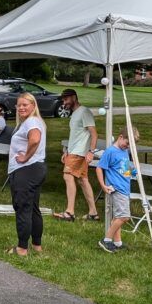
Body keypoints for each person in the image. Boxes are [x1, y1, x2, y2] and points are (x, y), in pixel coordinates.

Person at [6, 93, 47, 257]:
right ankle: (37, 245)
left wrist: (25, 157)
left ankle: (22, 248)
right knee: (33, 208)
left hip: (27, 170)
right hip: (36, 169)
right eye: (19, 105)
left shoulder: (32, 121)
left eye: (25, 105)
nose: (21, 108)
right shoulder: (32, 122)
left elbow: (35, 140)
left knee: (23, 208)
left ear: (33, 106)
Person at [53, 89, 99, 222]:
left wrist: (91, 152)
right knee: (83, 181)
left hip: (79, 152)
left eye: (66, 99)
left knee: (67, 176)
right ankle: (93, 213)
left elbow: (94, 134)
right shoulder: (74, 114)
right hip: (74, 151)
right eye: (63, 100)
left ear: (74, 97)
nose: (64, 103)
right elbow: (76, 135)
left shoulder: (84, 112)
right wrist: (67, 150)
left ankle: (70, 212)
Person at [96, 126, 138, 253]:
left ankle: (117, 242)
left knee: (118, 216)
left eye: (130, 145)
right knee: (124, 216)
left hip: (125, 187)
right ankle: (106, 240)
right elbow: (99, 168)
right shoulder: (110, 152)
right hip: (116, 188)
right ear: (120, 137)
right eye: (127, 143)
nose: (128, 146)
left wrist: (132, 170)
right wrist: (103, 185)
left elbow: (124, 166)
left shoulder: (124, 151)